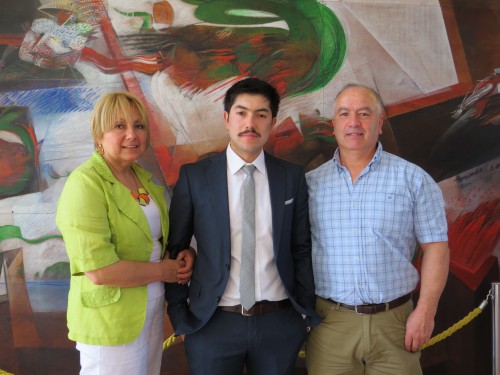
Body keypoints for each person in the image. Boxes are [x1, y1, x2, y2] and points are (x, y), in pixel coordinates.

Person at [165, 77, 320, 375]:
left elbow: (301, 249)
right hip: (212, 323)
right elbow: (176, 249)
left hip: (279, 322)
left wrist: (305, 313)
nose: (251, 123)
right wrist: (181, 317)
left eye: (261, 114)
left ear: (272, 122)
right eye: (241, 112)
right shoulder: (195, 177)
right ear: (226, 118)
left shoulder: (291, 177)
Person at [305, 83, 450, 375]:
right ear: (333, 124)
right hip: (330, 325)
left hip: (395, 323)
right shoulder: (310, 185)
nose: (354, 122)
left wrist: (426, 311)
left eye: (364, 113)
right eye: (344, 114)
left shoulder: (414, 180)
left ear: (380, 123)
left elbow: (436, 247)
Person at [56, 91, 194, 375]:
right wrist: (164, 272)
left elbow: (153, 242)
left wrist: (184, 254)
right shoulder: (85, 183)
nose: (132, 135)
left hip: (150, 312)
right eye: (119, 126)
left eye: (139, 126)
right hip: (111, 321)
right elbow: (99, 270)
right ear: (99, 133)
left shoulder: (142, 178)